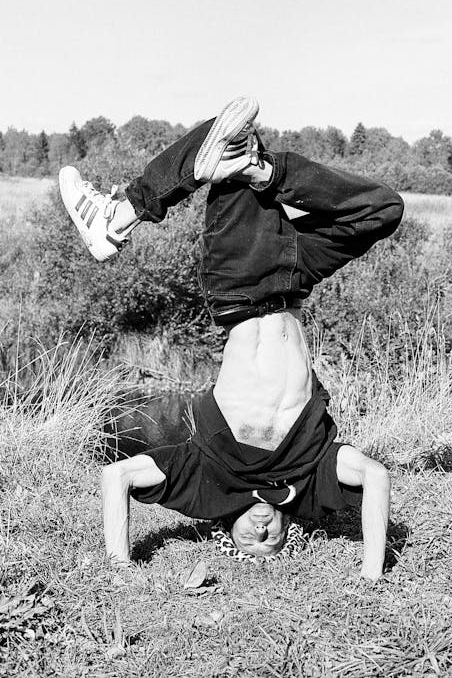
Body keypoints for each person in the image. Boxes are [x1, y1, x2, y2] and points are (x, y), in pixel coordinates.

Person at [60, 97, 404, 579]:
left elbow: (116, 475)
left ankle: (118, 217)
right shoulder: (310, 484)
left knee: (228, 134)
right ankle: (260, 171)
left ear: (228, 526)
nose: (262, 531)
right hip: (294, 278)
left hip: (240, 285)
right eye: (274, 540)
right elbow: (375, 476)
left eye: (249, 538)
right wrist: (371, 575)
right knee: (383, 209)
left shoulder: (209, 483)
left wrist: (118, 570)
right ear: (289, 528)